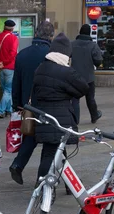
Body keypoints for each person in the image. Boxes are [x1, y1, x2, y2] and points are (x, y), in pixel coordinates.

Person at [33, 33, 89, 182]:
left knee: (55, 150)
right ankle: (41, 186)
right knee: (51, 153)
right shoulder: (65, 71)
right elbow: (83, 88)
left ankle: (69, 185)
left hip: (44, 117)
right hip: (60, 119)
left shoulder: (40, 68)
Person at [8, 21, 54, 185]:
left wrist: (17, 104)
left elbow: (16, 82)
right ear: (50, 36)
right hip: (49, 104)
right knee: (53, 141)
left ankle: (17, 164)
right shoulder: (51, 54)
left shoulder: (22, 54)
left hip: (28, 105)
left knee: (31, 136)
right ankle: (45, 177)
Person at [71, 24, 103, 124]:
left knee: (75, 100)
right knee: (90, 98)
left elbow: (67, 55)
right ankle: (94, 115)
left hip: (75, 76)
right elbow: (98, 61)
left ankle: (75, 120)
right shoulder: (93, 45)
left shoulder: (72, 44)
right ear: (89, 33)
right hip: (88, 77)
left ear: (80, 32)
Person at [0, 19, 19, 118]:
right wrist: (4, 62)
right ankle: (1, 110)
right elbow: (13, 54)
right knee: (8, 90)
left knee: (5, 90)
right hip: (10, 67)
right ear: (12, 28)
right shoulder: (14, 38)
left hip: (1, 68)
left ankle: (9, 109)